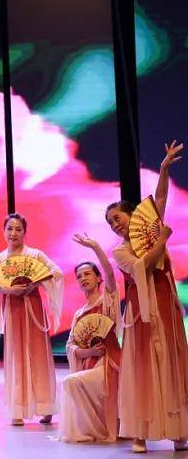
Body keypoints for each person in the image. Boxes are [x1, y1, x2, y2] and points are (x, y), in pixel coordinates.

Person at [108, 140, 188, 453]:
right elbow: (146, 266)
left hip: (165, 305)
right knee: (144, 366)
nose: (115, 225)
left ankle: (178, 429)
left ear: (133, 215)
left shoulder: (150, 229)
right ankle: (140, 432)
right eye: (111, 223)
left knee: (171, 363)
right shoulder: (120, 251)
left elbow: (161, 198)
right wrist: (163, 239)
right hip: (141, 312)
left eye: (118, 218)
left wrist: (164, 168)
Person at [0, 212, 62, 427]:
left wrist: (34, 284)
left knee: (39, 355)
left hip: (33, 309)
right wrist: (8, 289)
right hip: (12, 310)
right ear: (4, 231)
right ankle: (17, 409)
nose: (14, 233)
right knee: (15, 356)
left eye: (18, 229)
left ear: (25, 232)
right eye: (10, 229)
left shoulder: (35, 255)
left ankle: (45, 407)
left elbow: (55, 272)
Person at [59, 234, 120, 444]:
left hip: (109, 365)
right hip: (90, 363)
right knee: (73, 383)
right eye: (79, 276)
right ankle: (92, 429)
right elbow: (70, 345)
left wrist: (95, 247)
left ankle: (99, 431)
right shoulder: (79, 313)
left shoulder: (107, 303)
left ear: (98, 278)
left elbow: (110, 273)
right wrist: (88, 352)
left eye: (87, 274)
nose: (83, 278)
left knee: (71, 382)